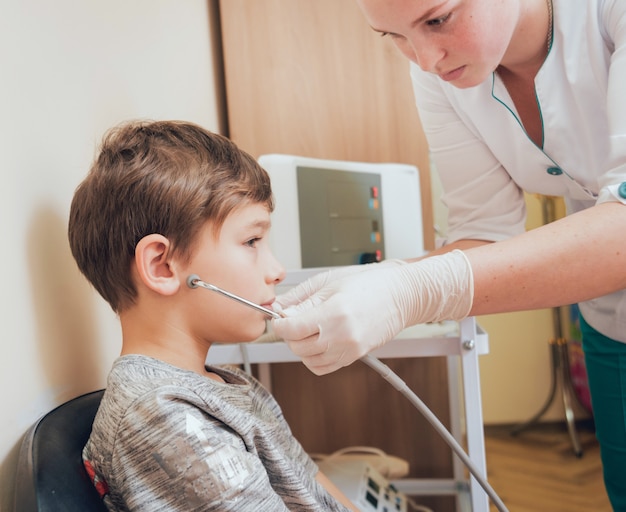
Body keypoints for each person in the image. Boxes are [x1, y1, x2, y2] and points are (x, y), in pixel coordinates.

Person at [270, 0, 626, 508]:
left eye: (438, 20)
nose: (425, 58)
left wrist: (410, 294)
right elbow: (485, 232)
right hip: (612, 321)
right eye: (391, 36)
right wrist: (378, 282)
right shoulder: (443, 73)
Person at [67, 120, 357, 512]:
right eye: (252, 241)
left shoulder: (229, 385)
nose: (277, 270)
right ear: (163, 266)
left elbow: (314, 487)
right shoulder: (162, 415)